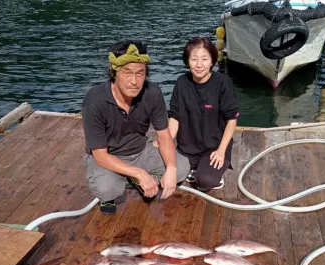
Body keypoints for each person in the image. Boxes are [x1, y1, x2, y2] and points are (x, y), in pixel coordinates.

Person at [82, 40, 190, 214]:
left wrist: (171, 168)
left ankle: (137, 179)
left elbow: (163, 135)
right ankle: (133, 179)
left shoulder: (152, 93)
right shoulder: (94, 101)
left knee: (181, 167)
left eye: (140, 73)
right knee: (108, 189)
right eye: (127, 73)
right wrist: (140, 173)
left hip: (141, 152)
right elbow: (100, 156)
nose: (134, 81)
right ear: (113, 71)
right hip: (109, 157)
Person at [168, 37, 239, 191]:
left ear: (212, 61)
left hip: (213, 147)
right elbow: (174, 116)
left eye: (204, 59)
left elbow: (232, 119)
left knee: (206, 181)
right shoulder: (181, 82)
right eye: (194, 59)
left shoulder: (223, 83)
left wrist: (221, 151)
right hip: (186, 148)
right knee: (162, 169)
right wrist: (166, 141)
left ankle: (206, 169)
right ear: (187, 61)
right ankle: (194, 166)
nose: (199, 65)